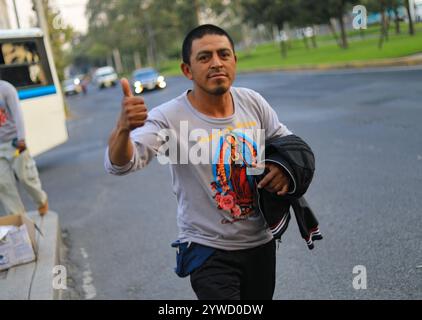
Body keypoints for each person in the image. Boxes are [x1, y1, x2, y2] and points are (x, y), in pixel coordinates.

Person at [105, 24, 295, 300]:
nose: (217, 63)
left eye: (224, 54)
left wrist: (283, 169)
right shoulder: (168, 117)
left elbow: (287, 144)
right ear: (187, 70)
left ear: (234, 60)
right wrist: (122, 129)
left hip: (261, 243)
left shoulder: (252, 102)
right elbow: (120, 164)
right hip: (208, 250)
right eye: (205, 57)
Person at [0, 80, 48, 216]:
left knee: (25, 177)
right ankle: (19, 219)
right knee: (3, 184)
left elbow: (17, 114)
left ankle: (41, 200)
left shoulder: (6, 89)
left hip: (14, 142)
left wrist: (21, 138)